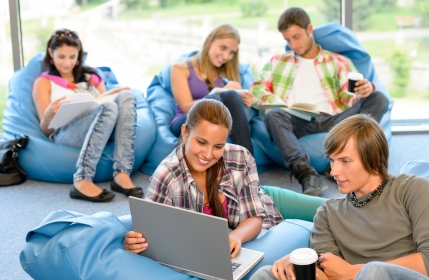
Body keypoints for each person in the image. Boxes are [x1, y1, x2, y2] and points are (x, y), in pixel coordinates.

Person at [125, 99, 325, 256]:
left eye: (218, 146)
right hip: (257, 227)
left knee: (336, 210)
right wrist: (135, 242)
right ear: (185, 132)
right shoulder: (167, 176)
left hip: (269, 201)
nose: (208, 154)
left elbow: (255, 218)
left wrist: (236, 236)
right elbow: (152, 234)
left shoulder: (240, 157)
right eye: (201, 142)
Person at [250, 114, 429, 280]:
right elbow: (329, 272)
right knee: (267, 273)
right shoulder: (328, 213)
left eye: (345, 161)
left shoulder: (413, 189)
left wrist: (354, 271)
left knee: (373, 271)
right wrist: (300, 261)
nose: (334, 171)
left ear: (374, 159)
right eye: (331, 160)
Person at [250, 8, 389, 196]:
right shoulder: (278, 61)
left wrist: (363, 89)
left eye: (297, 37)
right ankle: (306, 174)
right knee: (274, 115)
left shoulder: (337, 61)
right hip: (298, 120)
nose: (293, 45)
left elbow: (349, 96)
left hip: (335, 120)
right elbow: (257, 89)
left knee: (378, 97)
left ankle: (352, 159)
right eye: (288, 40)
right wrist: (280, 104)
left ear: (309, 29)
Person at [32, 29, 143, 202]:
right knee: (108, 107)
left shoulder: (92, 77)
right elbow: (46, 130)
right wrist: (48, 115)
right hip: (66, 133)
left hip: (102, 125)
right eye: (61, 57)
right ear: (50, 53)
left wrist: (114, 93)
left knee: (127, 96)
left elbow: (105, 103)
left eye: (72, 57)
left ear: (79, 55)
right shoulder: (44, 82)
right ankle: (82, 178)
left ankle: (121, 174)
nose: (67, 63)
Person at [170, 23, 255, 155]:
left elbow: (232, 112)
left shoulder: (225, 73)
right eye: (223, 48)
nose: (226, 56)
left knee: (231, 95)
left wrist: (244, 101)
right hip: (185, 122)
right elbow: (186, 106)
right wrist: (216, 94)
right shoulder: (180, 68)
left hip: (217, 123)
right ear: (208, 41)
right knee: (214, 99)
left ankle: (248, 164)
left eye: (231, 52)